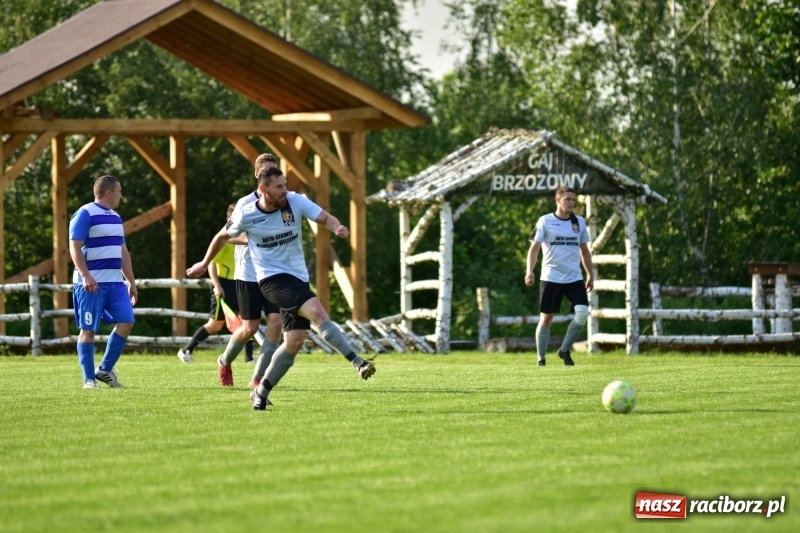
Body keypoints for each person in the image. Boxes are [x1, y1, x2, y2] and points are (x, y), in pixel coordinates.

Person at [186, 166, 375, 410]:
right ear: (263, 189)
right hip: (270, 279)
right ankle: (357, 361)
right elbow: (222, 236)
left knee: (294, 342)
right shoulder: (246, 212)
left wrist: (336, 227)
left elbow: (326, 217)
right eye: (279, 187)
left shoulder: (295, 201)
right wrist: (204, 263)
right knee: (315, 311)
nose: (285, 190)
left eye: (285, 185)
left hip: (297, 277)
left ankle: (260, 391)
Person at [212, 153, 283, 387]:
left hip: (273, 273)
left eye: (275, 170)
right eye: (267, 171)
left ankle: (258, 378)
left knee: (275, 323)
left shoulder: (285, 201)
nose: (271, 175)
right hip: (248, 274)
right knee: (249, 328)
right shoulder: (244, 204)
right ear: (257, 175)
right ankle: (224, 361)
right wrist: (252, 239)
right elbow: (226, 236)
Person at [69, 175, 138, 389]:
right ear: (109, 193)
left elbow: (123, 252)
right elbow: (74, 246)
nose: (121, 195)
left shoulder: (116, 217)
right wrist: (86, 275)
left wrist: (131, 282)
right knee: (88, 330)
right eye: (119, 191)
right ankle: (89, 380)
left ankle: (105, 369)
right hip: (90, 284)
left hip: (115, 284)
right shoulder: (84, 213)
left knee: (126, 321)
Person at [524, 186, 594, 366]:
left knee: (582, 313)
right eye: (568, 199)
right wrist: (530, 271)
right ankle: (541, 358)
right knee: (546, 318)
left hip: (574, 278)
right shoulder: (545, 221)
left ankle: (564, 350)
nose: (571, 203)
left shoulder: (579, 222)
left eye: (573, 200)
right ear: (557, 199)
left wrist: (590, 274)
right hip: (550, 277)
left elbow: (584, 251)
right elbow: (534, 249)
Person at [177, 205, 255, 364]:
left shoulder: (247, 236)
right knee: (215, 325)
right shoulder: (225, 239)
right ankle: (186, 350)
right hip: (224, 285)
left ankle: (249, 358)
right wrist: (217, 286)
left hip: (241, 283)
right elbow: (212, 263)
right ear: (230, 219)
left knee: (247, 320)